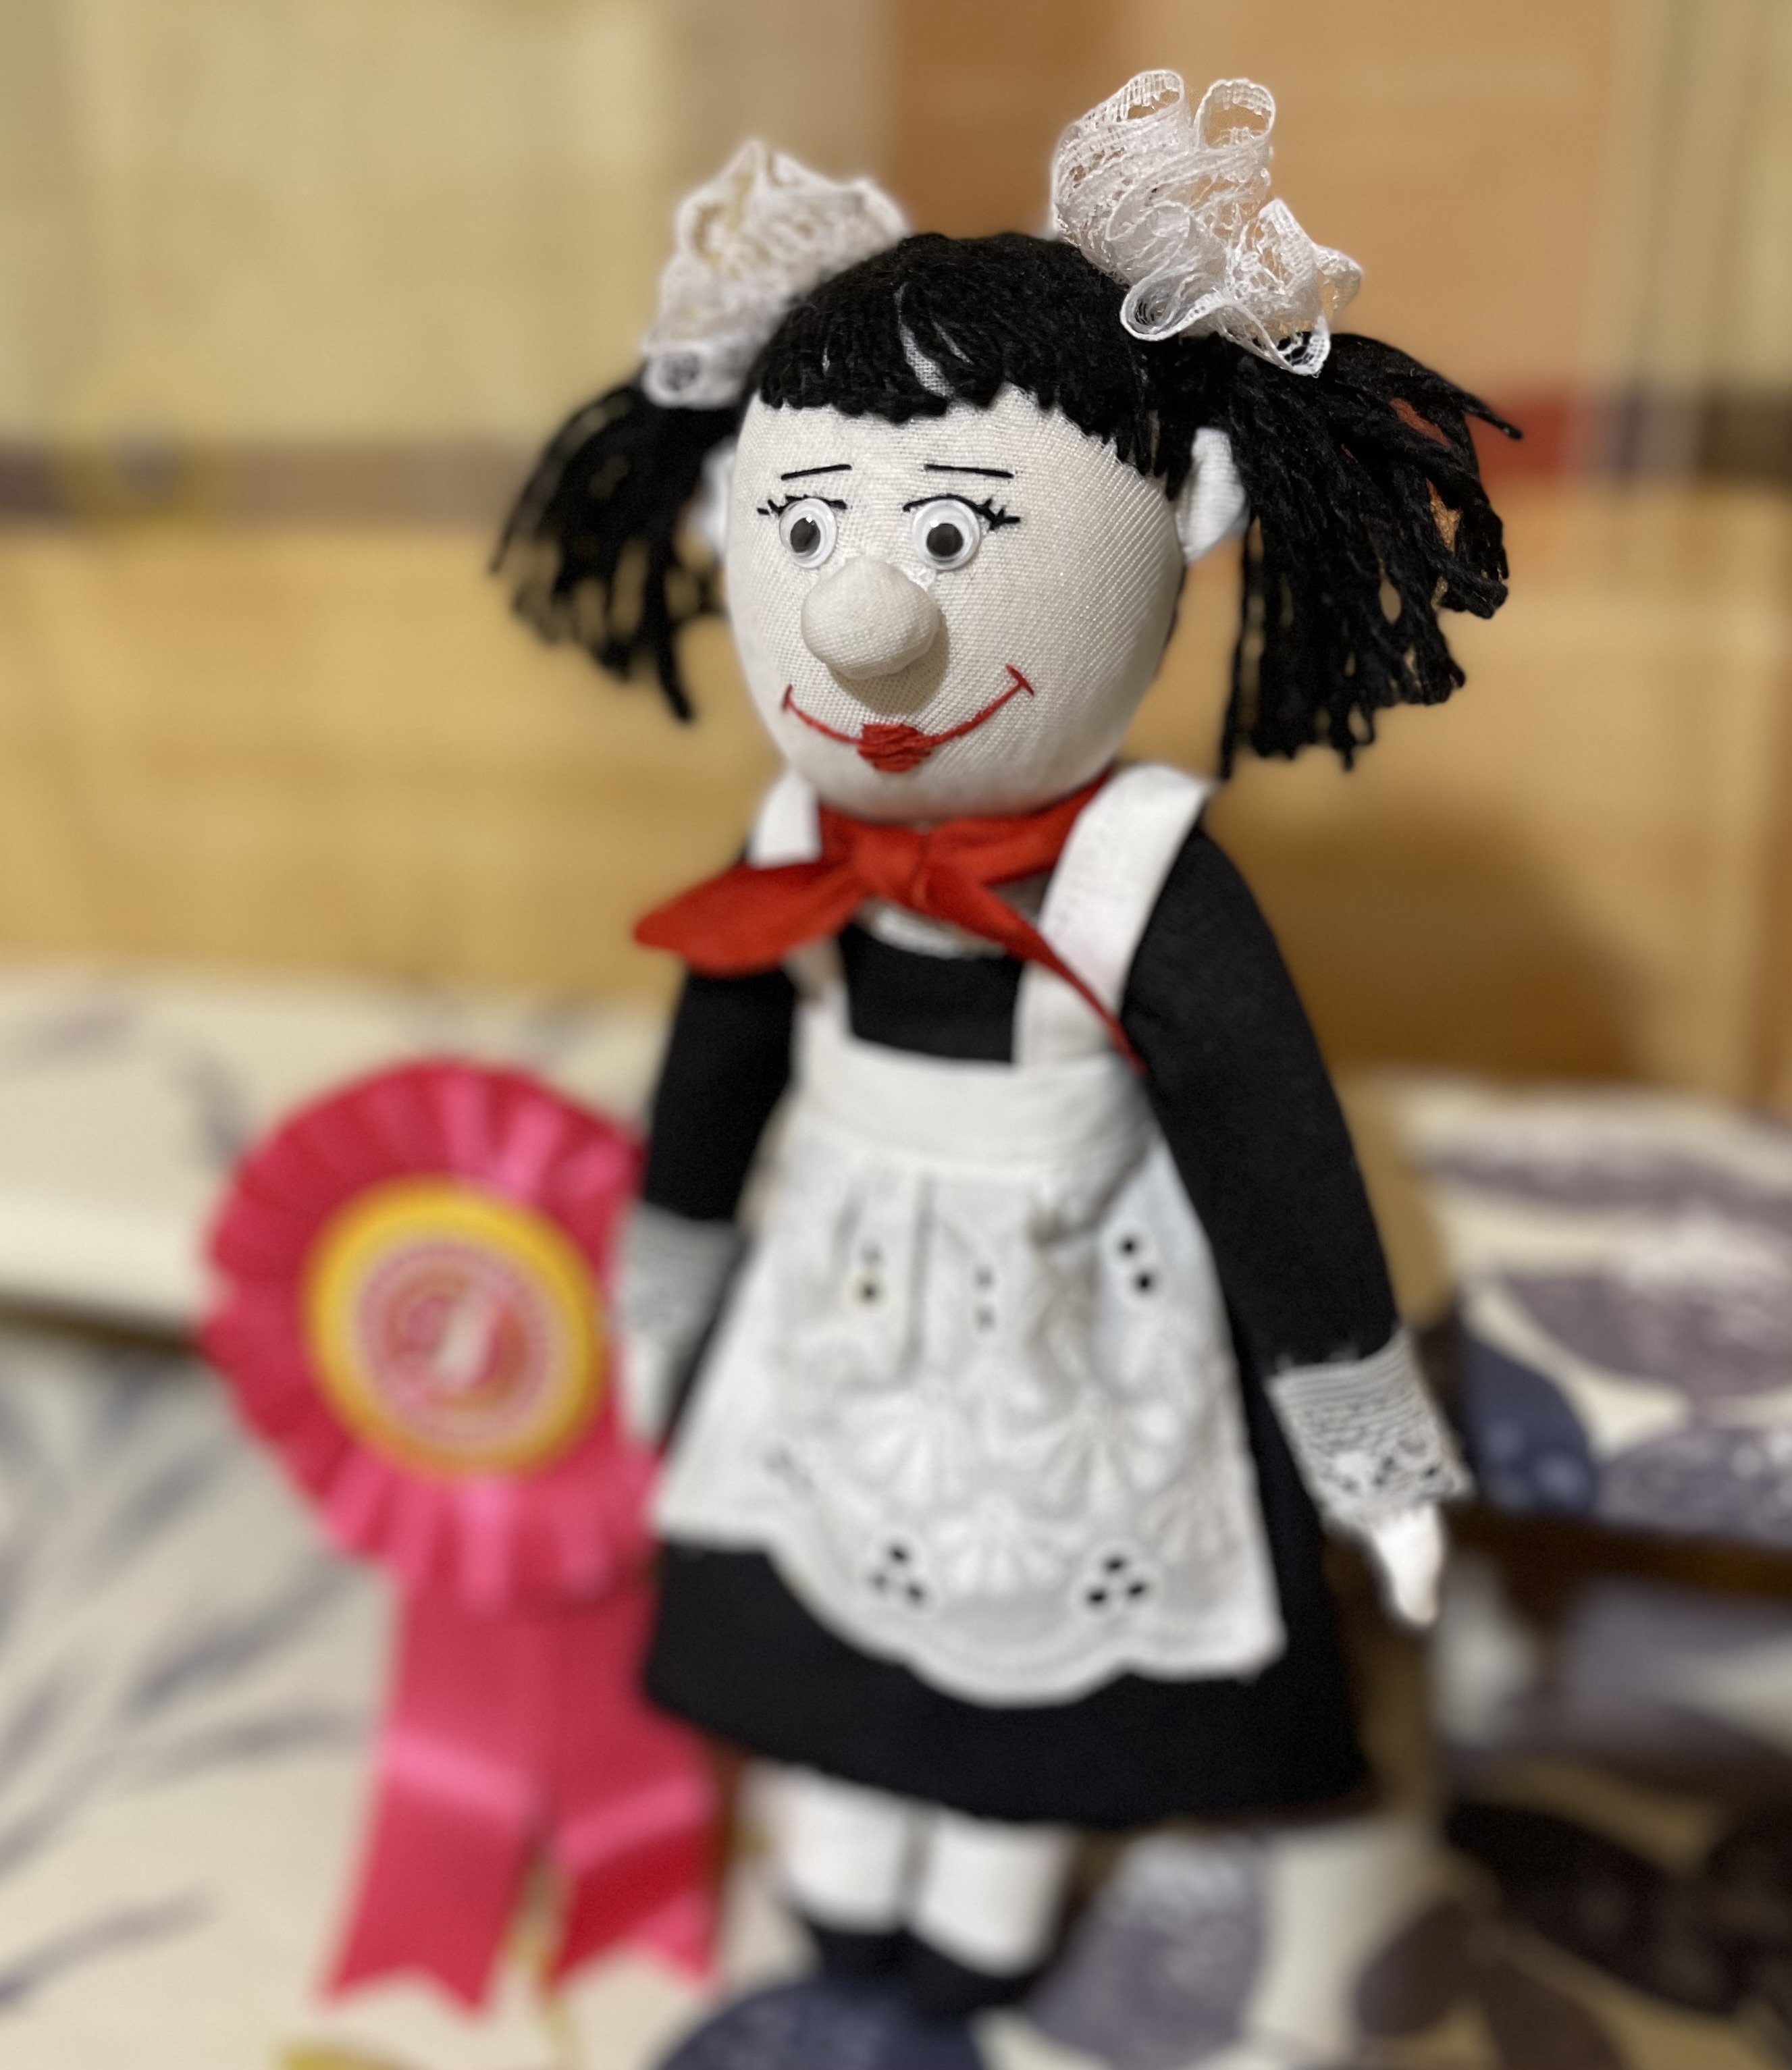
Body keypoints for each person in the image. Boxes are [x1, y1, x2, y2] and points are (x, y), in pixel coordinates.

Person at [499, 71, 1510, 2048]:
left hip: (1071, 1313)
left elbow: (1275, 1156)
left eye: (962, 533)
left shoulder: (1144, 876)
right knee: (814, 1583)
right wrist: (667, 1286)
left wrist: (1364, 1448)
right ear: (736, 527)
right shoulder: (789, 836)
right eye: (810, 528)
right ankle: (843, 1866)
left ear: (1185, 517)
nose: (867, 619)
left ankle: (984, 1897)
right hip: (846, 1286)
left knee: (1036, 1627)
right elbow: (713, 1080)